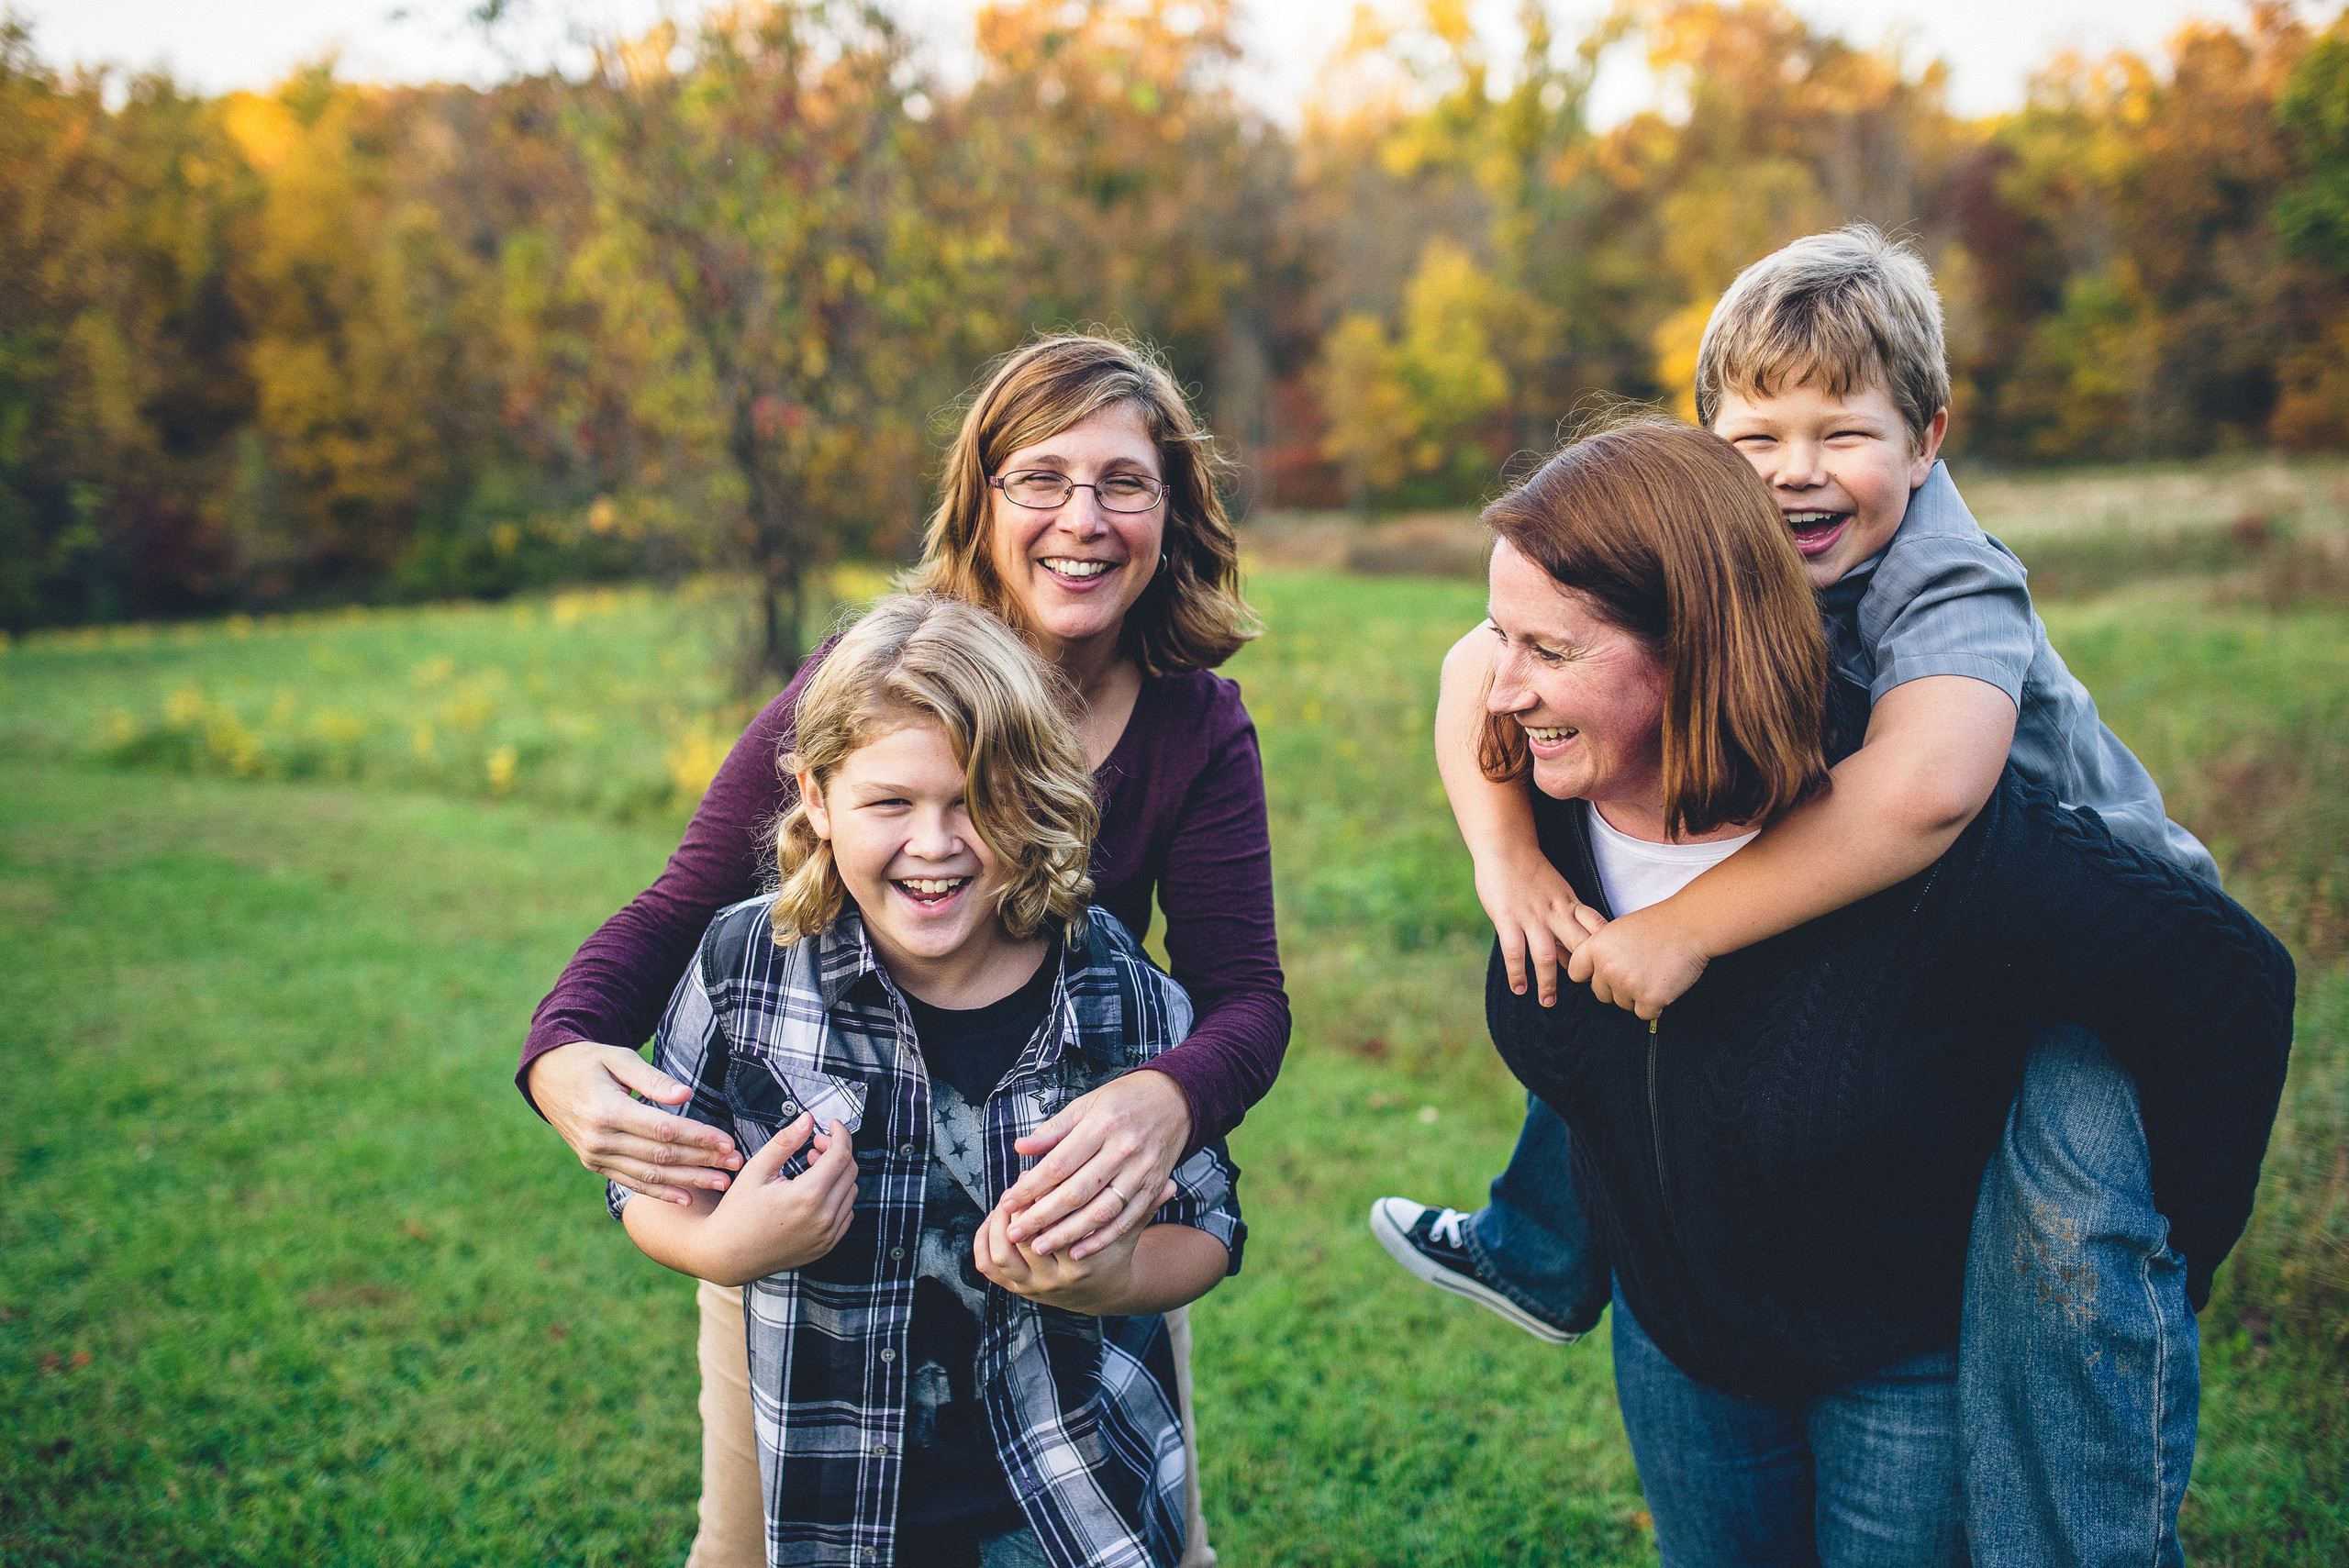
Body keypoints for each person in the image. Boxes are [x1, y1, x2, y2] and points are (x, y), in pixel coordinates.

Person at [1372, 227, 2225, 1562]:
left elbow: (1928, 795)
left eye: (1843, 432)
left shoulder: (1947, 574)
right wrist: (1510, 862)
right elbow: (1470, 662)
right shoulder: (1714, 568)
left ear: (1929, 439)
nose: (1794, 471)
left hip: (2100, 951)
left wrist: (1685, 924)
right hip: (1721, 1292)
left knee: (2063, 1242)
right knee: (1603, 1022)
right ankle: (1544, 1243)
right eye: (1755, 435)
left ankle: (2084, 1540)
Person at [523, 335, 1282, 1567]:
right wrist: (561, 1050)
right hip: (816, 1261)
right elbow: (686, 902)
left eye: (1123, 482)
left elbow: (1243, 1000)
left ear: (1172, 509)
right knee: (752, 1544)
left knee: (1136, 1531)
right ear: (981, 499)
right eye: (1041, 477)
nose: (1081, 518)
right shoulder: (872, 684)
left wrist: (1164, 1101)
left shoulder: (1192, 733)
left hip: (1068, 1195)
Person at [615, 595, 1243, 1568]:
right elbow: (649, 1182)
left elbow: (1209, 1223)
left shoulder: (1110, 987)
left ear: (1033, 797)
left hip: (1067, 1487)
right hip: (832, 1486)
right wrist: (718, 1243)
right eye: (889, 802)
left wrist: (1114, 1276)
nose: (936, 842)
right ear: (816, 799)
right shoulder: (744, 966)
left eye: (976, 800)